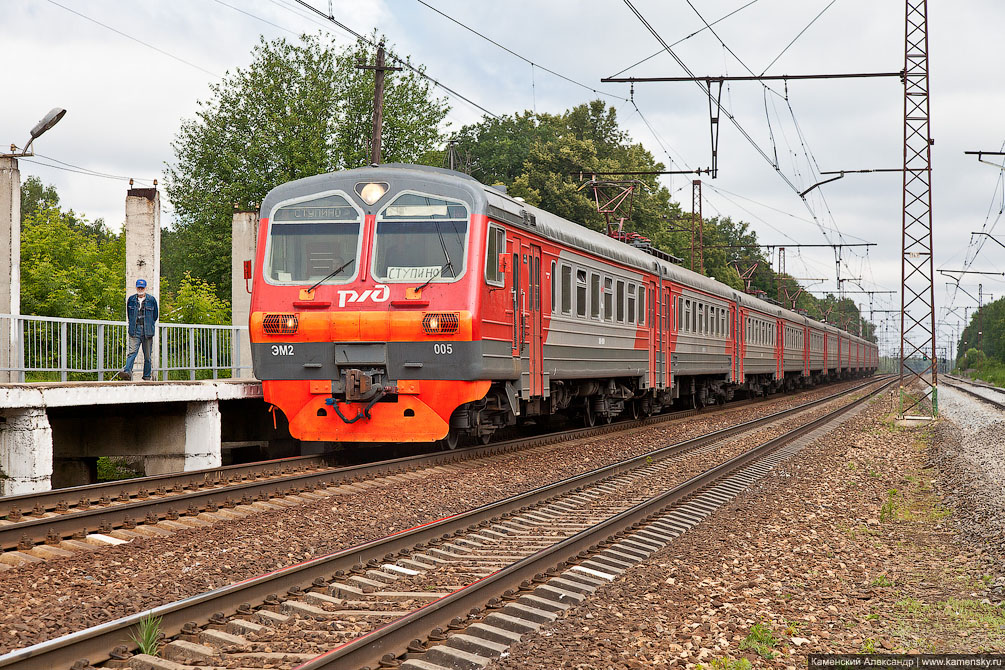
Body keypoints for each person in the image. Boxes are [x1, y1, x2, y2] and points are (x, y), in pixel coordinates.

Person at [116, 279, 159, 381]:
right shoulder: (131, 299)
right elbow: (129, 314)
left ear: (145, 288)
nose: (140, 289)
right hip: (135, 329)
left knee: (147, 356)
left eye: (142, 287)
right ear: (136, 288)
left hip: (147, 330)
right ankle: (127, 372)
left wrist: (148, 324)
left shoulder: (152, 300)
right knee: (132, 352)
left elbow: (155, 315)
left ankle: (147, 376)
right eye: (139, 287)